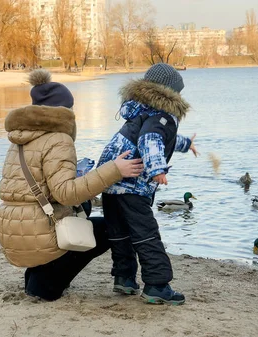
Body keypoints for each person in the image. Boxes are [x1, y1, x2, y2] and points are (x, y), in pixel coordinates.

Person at [0, 69, 144, 301]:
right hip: (35, 229)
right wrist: (115, 169)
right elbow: (65, 194)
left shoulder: (19, 139)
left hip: (12, 228)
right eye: (71, 108)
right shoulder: (59, 139)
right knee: (107, 228)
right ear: (62, 111)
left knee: (83, 208)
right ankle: (46, 283)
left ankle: (36, 272)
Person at [97, 63, 194, 305]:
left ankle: (124, 278)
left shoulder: (141, 112)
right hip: (132, 187)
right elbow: (151, 140)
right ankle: (157, 285)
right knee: (146, 235)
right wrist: (157, 170)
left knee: (120, 235)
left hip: (110, 183)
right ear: (170, 93)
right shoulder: (162, 116)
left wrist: (185, 144)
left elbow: (162, 138)